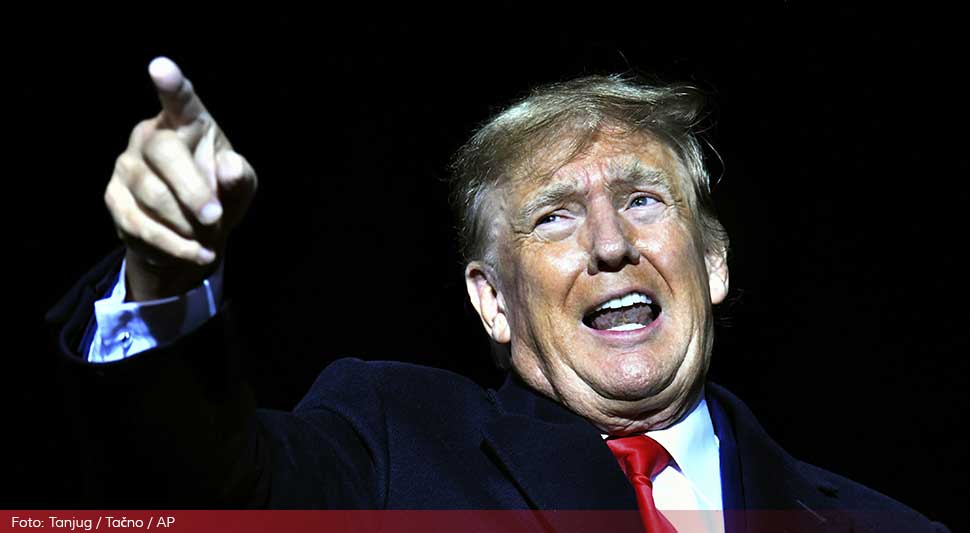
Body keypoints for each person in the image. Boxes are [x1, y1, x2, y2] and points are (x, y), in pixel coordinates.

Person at [48, 57, 945, 532]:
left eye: (642, 199)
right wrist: (164, 279)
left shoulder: (884, 525)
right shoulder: (391, 443)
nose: (610, 244)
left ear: (711, 262)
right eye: (554, 217)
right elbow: (204, 493)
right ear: (492, 302)